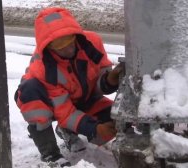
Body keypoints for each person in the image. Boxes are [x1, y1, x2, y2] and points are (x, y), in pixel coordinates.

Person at [14, 7, 123, 167]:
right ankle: (51, 155)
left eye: (69, 40)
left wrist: (110, 80)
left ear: (75, 34)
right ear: (48, 46)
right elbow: (65, 111)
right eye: (59, 45)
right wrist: (94, 129)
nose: (67, 48)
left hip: (82, 98)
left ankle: (67, 130)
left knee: (117, 121)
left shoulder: (92, 43)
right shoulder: (44, 68)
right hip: (50, 104)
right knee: (30, 91)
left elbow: (97, 87)